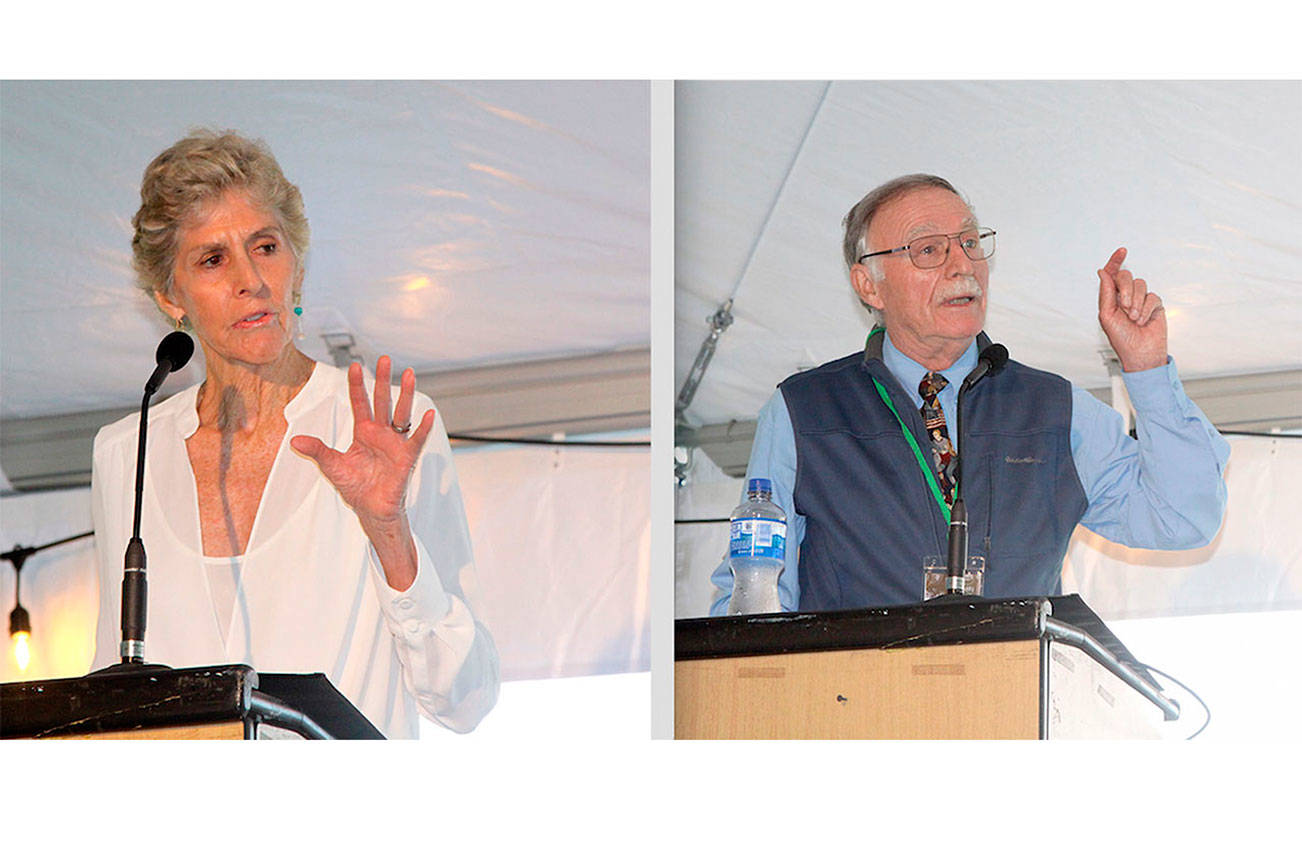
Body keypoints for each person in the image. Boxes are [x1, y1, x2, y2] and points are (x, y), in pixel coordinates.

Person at [90, 130, 499, 737]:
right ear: (171, 298)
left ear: (297, 267)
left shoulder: (383, 427)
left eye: (265, 246)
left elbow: (466, 700)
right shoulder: (128, 452)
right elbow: (110, 683)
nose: (250, 278)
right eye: (212, 259)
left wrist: (389, 532)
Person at [711, 174, 1229, 614]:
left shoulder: (1054, 410)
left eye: (970, 242)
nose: (963, 265)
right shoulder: (805, 411)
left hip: (1009, 712)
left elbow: (1182, 519)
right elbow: (752, 588)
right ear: (869, 286)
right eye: (929, 249)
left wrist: (1147, 369)